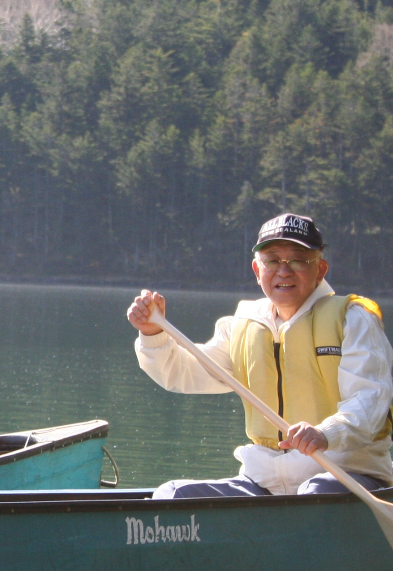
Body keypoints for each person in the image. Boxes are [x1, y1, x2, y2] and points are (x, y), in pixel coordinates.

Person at [126, 212, 393, 498]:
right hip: (263, 481)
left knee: (314, 494)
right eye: (273, 260)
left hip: (346, 476)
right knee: (171, 495)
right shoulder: (241, 325)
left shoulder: (353, 319)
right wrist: (153, 334)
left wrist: (325, 433)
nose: (284, 270)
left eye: (298, 260)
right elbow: (181, 374)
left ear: (320, 269)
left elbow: (369, 403)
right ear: (257, 269)